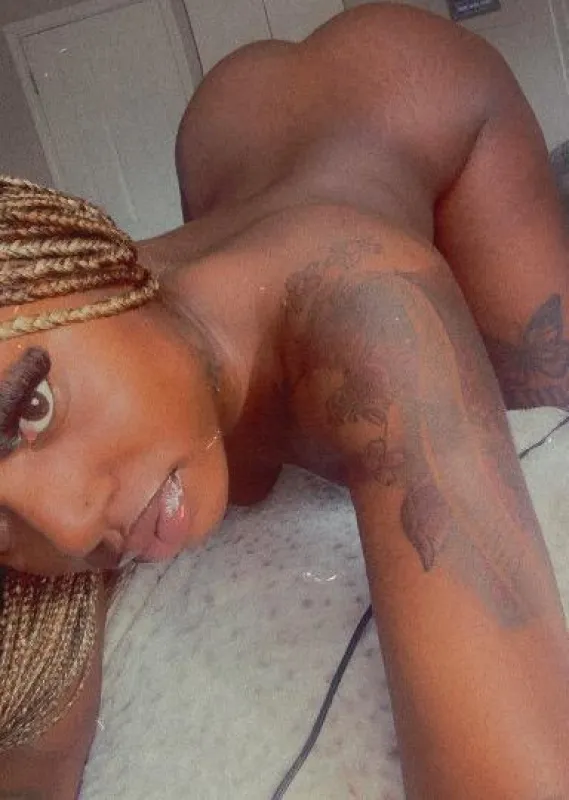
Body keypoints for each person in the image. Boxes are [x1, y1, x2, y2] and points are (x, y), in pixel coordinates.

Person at [1, 2, 569, 797]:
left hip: (425, 90)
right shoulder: (76, 396)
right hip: (226, 127)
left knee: (547, 410)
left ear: (85, 259)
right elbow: (34, 754)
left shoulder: (366, 307)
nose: (66, 529)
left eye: (33, 409)